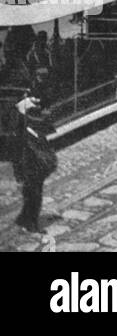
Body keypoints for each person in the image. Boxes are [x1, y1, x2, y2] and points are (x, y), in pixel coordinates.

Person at [12, 94, 56, 233]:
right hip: (30, 172)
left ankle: (24, 219)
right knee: (34, 198)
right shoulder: (23, 135)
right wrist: (19, 174)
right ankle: (31, 224)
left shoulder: (38, 132)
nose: (37, 118)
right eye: (33, 115)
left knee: (33, 197)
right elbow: (18, 157)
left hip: (39, 172)